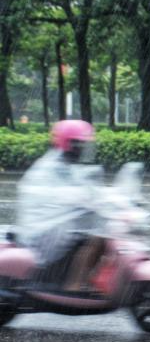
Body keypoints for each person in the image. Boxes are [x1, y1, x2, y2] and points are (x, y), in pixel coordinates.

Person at [15, 120, 105, 292]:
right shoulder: (54, 166)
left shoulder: (65, 163)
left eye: (84, 144)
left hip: (55, 225)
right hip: (44, 231)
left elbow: (85, 187)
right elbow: (66, 193)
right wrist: (85, 199)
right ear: (67, 143)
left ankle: (83, 279)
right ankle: (74, 286)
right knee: (96, 238)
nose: (82, 148)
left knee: (95, 232)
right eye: (78, 144)